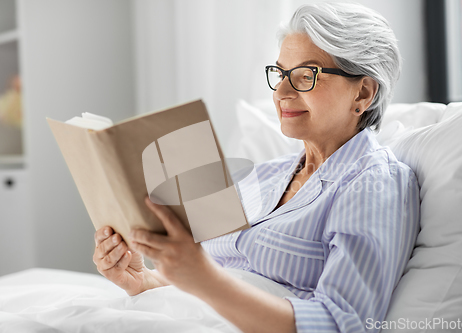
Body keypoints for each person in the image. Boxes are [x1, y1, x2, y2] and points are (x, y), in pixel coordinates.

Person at [93, 2, 420, 332]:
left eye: (306, 76)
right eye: (280, 74)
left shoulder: (375, 184)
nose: (281, 92)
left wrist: (203, 278)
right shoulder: (264, 175)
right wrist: (142, 279)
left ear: (363, 93)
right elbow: (213, 284)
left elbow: (343, 324)